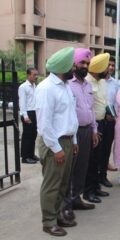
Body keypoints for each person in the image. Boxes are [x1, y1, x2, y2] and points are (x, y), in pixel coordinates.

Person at [35, 47, 79, 236]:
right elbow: (44, 124)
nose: (74, 69)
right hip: (53, 142)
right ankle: (48, 221)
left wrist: (74, 140)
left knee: (63, 183)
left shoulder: (65, 86)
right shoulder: (46, 88)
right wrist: (56, 148)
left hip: (67, 140)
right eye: (72, 66)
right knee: (52, 184)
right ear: (63, 67)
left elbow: (70, 116)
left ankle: (59, 214)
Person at [66, 48, 98, 215]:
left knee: (82, 167)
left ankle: (77, 198)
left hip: (86, 131)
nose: (85, 66)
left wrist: (94, 129)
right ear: (74, 64)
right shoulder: (67, 85)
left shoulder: (88, 85)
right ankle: (66, 204)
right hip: (72, 132)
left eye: (87, 63)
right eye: (82, 63)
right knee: (69, 168)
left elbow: (90, 109)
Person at [84, 53, 110, 203]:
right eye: (105, 68)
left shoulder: (102, 82)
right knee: (91, 159)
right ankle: (88, 191)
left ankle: (96, 187)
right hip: (93, 125)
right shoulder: (87, 83)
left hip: (103, 122)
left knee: (100, 157)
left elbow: (103, 102)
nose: (107, 71)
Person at [101, 56, 119, 187]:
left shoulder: (115, 83)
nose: (111, 67)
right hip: (98, 120)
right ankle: (94, 179)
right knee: (97, 151)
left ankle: (103, 176)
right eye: (109, 65)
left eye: (113, 65)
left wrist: (115, 117)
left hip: (111, 120)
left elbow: (116, 102)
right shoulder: (97, 81)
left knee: (106, 149)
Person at [18, 67, 39, 164]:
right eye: (34, 75)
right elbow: (22, 103)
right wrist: (25, 116)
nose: (36, 76)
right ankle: (25, 157)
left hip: (34, 113)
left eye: (36, 74)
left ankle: (31, 154)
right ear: (28, 75)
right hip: (27, 113)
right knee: (27, 136)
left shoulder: (35, 85)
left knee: (33, 135)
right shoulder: (23, 87)